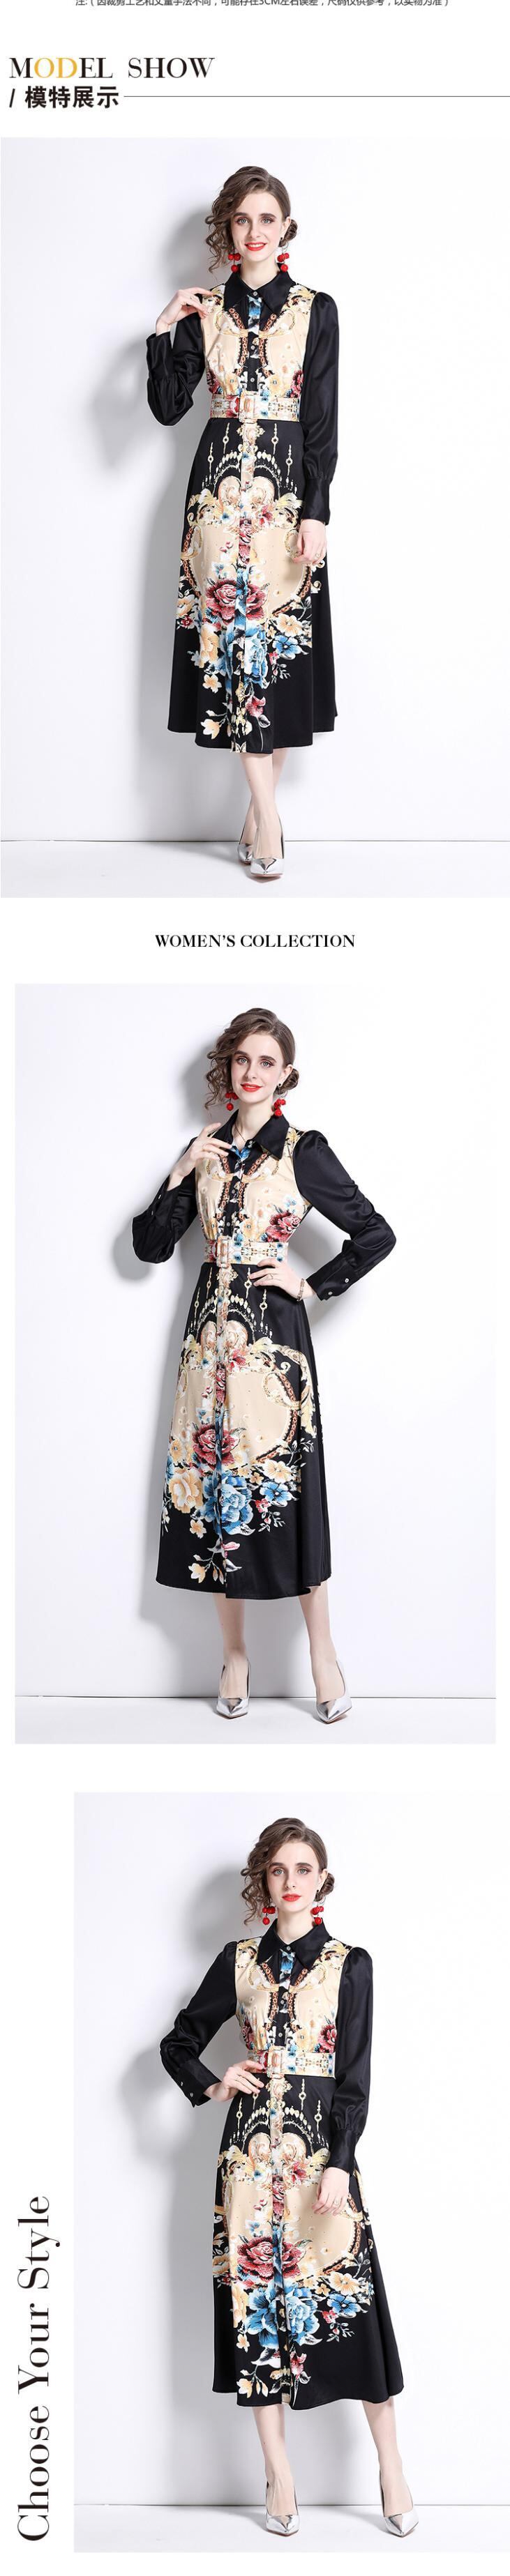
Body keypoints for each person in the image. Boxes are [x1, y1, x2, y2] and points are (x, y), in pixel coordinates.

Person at [132, 1007, 396, 1720]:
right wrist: (179, 1170)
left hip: (272, 1342)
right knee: (216, 1482)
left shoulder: (303, 1149)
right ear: (228, 1067)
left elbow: (374, 1233)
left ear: (285, 1075)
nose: (251, 1072)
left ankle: (322, 1655)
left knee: (286, 1483)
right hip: (205, 1343)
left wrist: (311, 1285)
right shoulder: (207, 1148)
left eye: (266, 1062)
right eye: (242, 1059)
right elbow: (150, 1248)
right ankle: (234, 1656)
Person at [160, 1814, 417, 2540]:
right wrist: (214, 2082)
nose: (291, 1881)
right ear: (264, 1881)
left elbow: (354, 2078)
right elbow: (178, 2041)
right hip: (247, 2164)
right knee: (257, 2309)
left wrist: (341, 2160)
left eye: (303, 1868)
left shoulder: (349, 1963)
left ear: (322, 1879)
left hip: (319, 2164)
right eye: (278, 1869)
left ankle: (391, 2464)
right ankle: (277, 2471)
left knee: (351, 2298)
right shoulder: (237, 1960)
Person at [147, 165, 339, 876]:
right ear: (226, 230)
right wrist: (165, 328)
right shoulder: (204, 311)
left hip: (285, 499)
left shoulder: (317, 310)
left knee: (278, 654)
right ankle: (270, 822)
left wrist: (316, 512)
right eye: (240, 219)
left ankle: (259, 818)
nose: (253, 231)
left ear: (285, 227)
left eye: (266, 218)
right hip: (216, 505)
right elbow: (168, 408)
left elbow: (322, 422)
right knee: (234, 653)